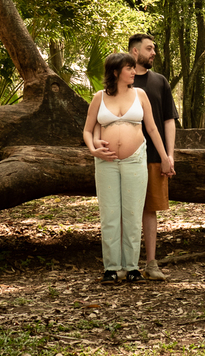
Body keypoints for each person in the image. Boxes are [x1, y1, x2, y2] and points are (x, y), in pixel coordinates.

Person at [83, 51, 173, 284]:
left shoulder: (140, 95)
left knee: (133, 213)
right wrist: (93, 149)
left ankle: (132, 268)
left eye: (134, 68)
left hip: (135, 159)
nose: (134, 72)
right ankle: (112, 268)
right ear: (115, 72)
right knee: (110, 214)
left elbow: (152, 129)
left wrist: (165, 157)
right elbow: (87, 129)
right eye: (129, 68)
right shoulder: (99, 97)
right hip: (106, 162)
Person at [128, 33, 178, 281]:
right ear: (135, 52)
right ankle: (125, 264)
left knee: (150, 210)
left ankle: (151, 263)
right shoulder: (121, 81)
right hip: (124, 158)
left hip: (154, 158)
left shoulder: (160, 82)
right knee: (126, 210)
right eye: (149, 48)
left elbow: (168, 120)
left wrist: (169, 155)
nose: (154, 52)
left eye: (154, 48)